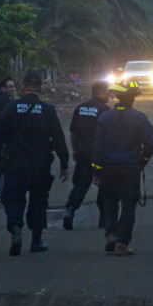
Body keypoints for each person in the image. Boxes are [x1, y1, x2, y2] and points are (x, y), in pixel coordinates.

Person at [0, 71, 69, 256]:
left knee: (14, 199)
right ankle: (37, 240)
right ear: (40, 89)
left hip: (15, 163)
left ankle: (16, 232)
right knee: (39, 201)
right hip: (40, 164)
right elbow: (59, 140)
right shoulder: (47, 110)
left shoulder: (11, 108)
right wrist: (64, 164)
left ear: (23, 87)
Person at [91, 80, 153, 256]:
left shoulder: (104, 118)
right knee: (128, 205)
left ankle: (111, 233)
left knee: (110, 201)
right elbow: (150, 144)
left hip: (108, 168)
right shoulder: (140, 118)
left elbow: (97, 147)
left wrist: (96, 170)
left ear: (117, 97)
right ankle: (122, 242)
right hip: (130, 168)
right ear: (133, 98)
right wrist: (142, 162)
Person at [62, 81, 110, 230]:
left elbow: (73, 132)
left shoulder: (80, 108)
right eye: (107, 92)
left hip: (83, 151)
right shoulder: (105, 110)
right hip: (99, 153)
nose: (109, 95)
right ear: (100, 92)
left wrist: (76, 150)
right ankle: (104, 218)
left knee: (81, 183)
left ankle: (70, 210)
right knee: (104, 184)